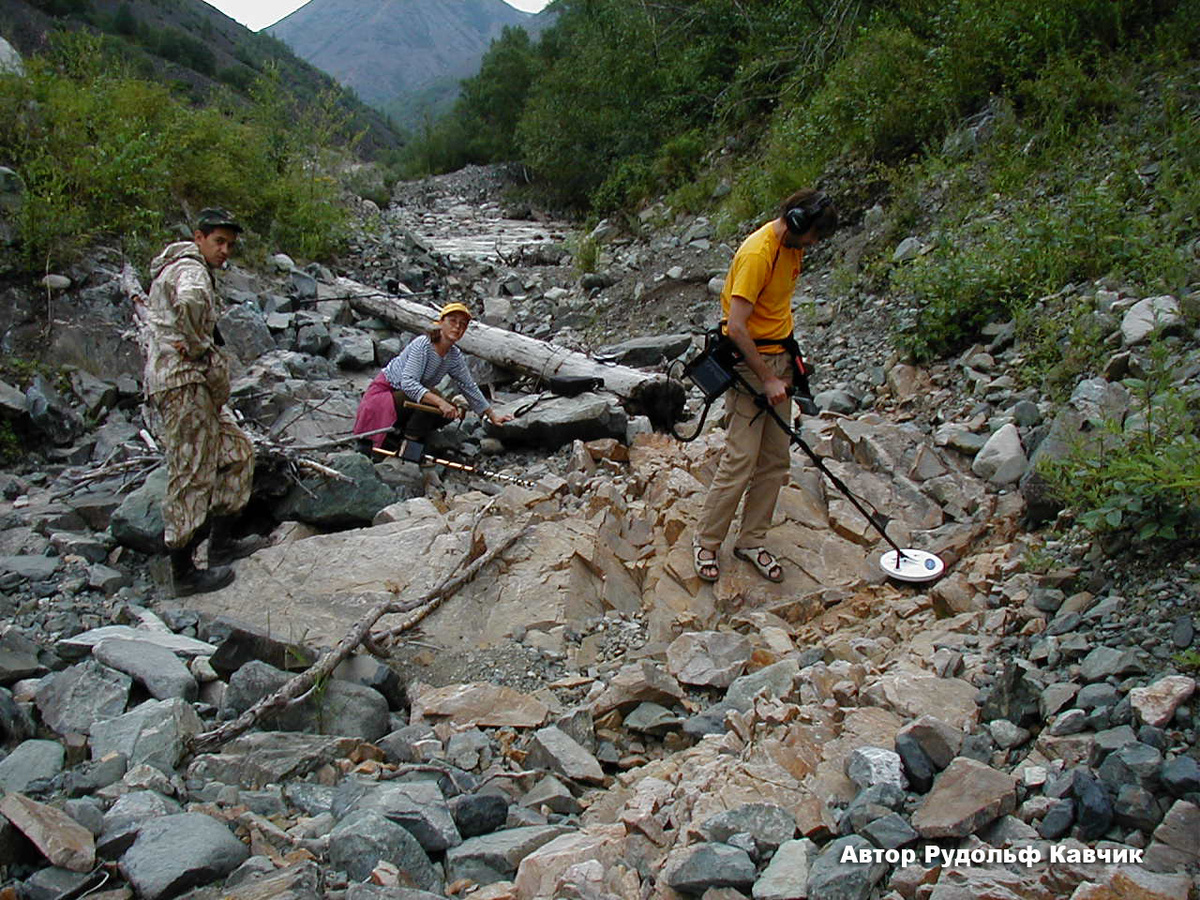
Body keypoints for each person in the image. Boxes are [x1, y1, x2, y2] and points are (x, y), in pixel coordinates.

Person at [692, 188, 838, 583]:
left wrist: (786, 368)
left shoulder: (792, 248)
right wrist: (767, 377)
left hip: (780, 357)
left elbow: (776, 308)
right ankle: (706, 541)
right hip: (750, 363)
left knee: (775, 459)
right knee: (741, 458)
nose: (813, 244)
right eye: (813, 235)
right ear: (797, 221)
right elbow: (737, 327)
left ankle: (751, 539)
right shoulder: (759, 253)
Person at [142, 208, 257, 597]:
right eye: (218, 242)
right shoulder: (190, 269)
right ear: (199, 238)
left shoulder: (187, 268)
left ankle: (221, 544)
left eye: (230, 245)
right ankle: (183, 570)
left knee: (238, 451)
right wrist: (196, 345)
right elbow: (191, 301)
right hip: (184, 385)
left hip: (199, 388)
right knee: (191, 471)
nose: (225, 250)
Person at [353, 301, 512, 454]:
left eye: (462, 324)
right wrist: (440, 402)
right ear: (441, 323)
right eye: (452, 321)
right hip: (383, 397)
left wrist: (492, 415)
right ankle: (409, 444)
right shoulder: (423, 345)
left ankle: (403, 434)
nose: (457, 327)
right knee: (435, 399)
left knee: (449, 410)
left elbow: (468, 386)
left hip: (407, 399)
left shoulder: (453, 355)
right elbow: (408, 383)